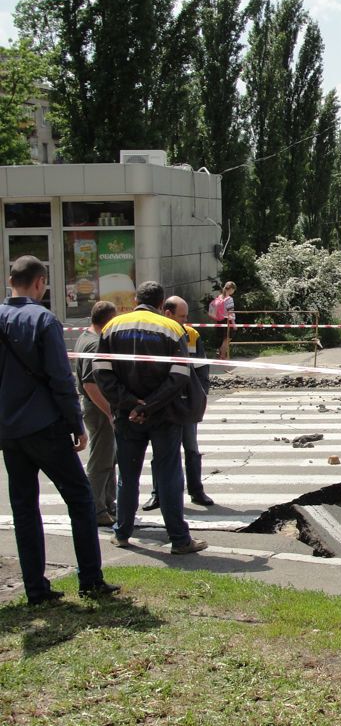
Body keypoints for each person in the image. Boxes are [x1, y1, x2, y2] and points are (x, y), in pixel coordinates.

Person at [0, 256, 119, 603]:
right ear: (40, 283)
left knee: (24, 507)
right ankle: (91, 579)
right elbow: (60, 377)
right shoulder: (44, 320)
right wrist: (75, 422)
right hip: (44, 425)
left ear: (11, 281)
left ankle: (36, 588)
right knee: (80, 498)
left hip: (9, 429)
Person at [94, 281, 207, 555]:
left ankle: (122, 533)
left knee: (128, 474)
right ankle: (179, 539)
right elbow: (179, 377)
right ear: (161, 303)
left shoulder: (112, 327)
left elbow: (101, 372)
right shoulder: (172, 328)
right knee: (168, 473)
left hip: (127, 416)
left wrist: (131, 403)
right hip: (164, 415)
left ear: (135, 300)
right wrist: (150, 405)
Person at [143, 296, 214, 511]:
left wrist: (200, 396)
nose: (185, 321)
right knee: (161, 451)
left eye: (186, 316)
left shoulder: (192, 336)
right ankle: (157, 493)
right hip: (163, 404)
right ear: (167, 314)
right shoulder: (154, 335)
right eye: (181, 317)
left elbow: (202, 370)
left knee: (191, 447)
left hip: (187, 403)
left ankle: (196, 490)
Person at [74, 301, 118, 527]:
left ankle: (108, 503)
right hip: (97, 407)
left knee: (109, 458)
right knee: (101, 460)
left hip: (94, 406)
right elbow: (90, 384)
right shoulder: (94, 344)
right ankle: (96, 508)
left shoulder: (85, 337)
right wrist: (110, 412)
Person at [215, 281, 236, 360]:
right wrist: (233, 324)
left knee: (223, 338)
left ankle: (220, 352)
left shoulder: (219, 297)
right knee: (227, 338)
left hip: (219, 320)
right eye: (233, 290)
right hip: (227, 320)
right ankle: (222, 354)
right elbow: (230, 312)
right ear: (231, 289)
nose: (233, 292)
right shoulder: (229, 299)